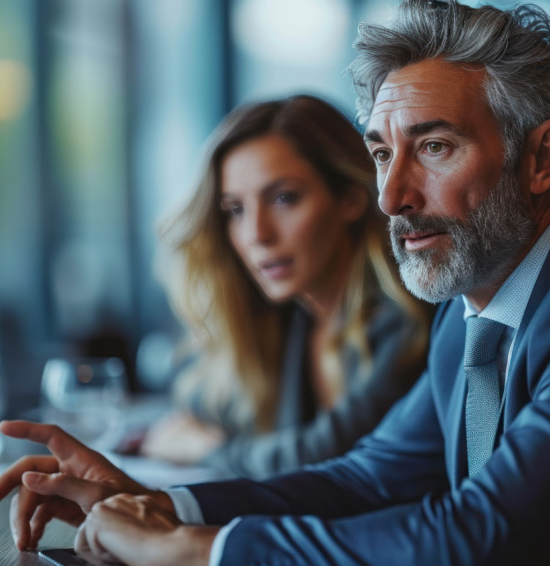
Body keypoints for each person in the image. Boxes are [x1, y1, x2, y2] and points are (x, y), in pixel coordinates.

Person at [0, 2, 550, 565]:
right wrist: (161, 505)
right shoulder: (477, 304)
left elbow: (481, 538)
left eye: (432, 148)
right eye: (380, 154)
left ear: (542, 158)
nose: (392, 197)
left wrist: (196, 551)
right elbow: (371, 477)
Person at [130, 94, 430, 479]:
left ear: (351, 200)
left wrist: (209, 448)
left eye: (284, 198)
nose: (257, 234)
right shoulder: (284, 321)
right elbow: (200, 405)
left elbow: (326, 461)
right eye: (235, 210)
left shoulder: (403, 322)